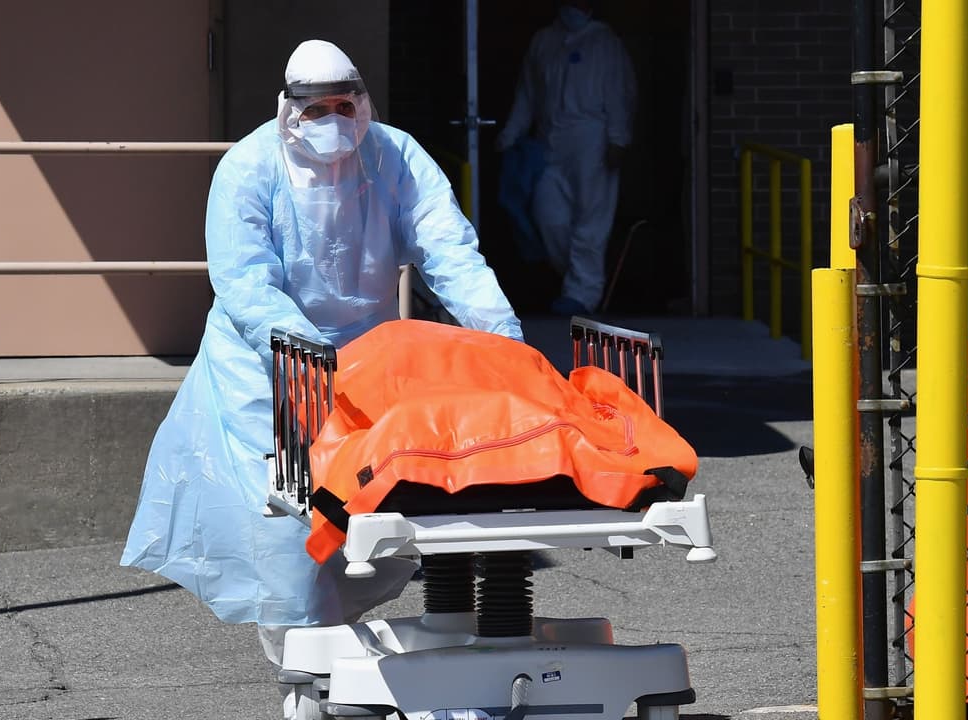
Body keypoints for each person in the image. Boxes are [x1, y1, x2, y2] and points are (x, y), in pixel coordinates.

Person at [119, 38, 524, 715]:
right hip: (264, 374)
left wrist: (503, 339)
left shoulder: (394, 157)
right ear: (289, 108)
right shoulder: (249, 167)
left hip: (365, 368)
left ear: (362, 100)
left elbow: (449, 251)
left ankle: (351, 672)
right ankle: (307, 682)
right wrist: (312, 358)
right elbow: (246, 284)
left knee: (373, 516)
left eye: (344, 104)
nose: (332, 120)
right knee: (287, 534)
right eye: (315, 109)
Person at [496, 0, 638, 315]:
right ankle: (578, 278)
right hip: (548, 139)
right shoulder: (544, 41)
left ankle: (583, 293)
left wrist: (618, 138)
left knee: (591, 218)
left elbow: (620, 93)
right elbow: (527, 94)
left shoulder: (604, 42)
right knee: (548, 215)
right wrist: (510, 134)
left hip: (592, 139)